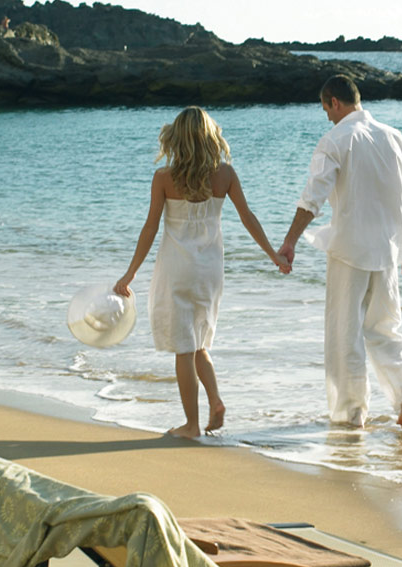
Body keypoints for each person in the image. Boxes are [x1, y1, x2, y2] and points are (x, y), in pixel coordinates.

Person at [114, 107, 288, 438]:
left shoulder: (165, 178)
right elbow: (248, 217)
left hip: (177, 270)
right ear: (211, 137)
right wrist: (273, 255)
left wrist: (130, 273)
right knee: (199, 344)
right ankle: (216, 400)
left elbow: (150, 227)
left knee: (184, 347)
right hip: (210, 271)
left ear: (176, 138)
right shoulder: (225, 175)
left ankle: (191, 425)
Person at [279, 75, 402, 430]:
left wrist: (290, 241)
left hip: (349, 251)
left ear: (334, 102)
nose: (327, 117)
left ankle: (351, 416)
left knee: (344, 336)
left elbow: (313, 197)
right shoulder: (395, 138)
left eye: (326, 109)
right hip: (389, 252)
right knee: (385, 329)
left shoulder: (336, 139)